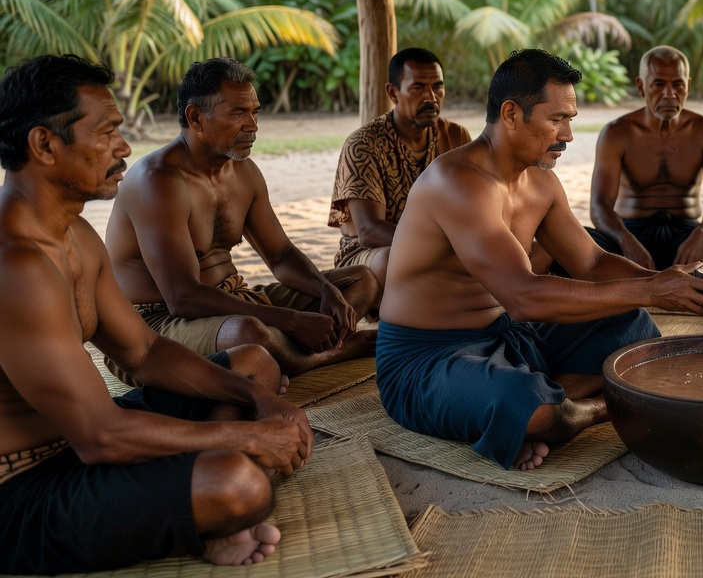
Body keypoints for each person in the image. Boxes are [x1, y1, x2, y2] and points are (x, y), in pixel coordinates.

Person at [0, 55, 313, 574]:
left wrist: (256, 399)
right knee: (239, 485)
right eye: (106, 133)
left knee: (254, 364)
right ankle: (208, 508)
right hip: (23, 486)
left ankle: (195, 506)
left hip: (86, 439)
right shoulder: (16, 264)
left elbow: (143, 351)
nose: (123, 148)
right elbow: (101, 436)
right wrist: (248, 435)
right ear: (44, 145)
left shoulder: (75, 235)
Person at [376, 49, 703, 471]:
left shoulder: (541, 181)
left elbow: (594, 264)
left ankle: (557, 407)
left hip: (509, 335)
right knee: (527, 405)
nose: (567, 135)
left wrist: (670, 281)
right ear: (511, 114)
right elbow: (524, 296)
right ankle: (581, 409)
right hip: (428, 360)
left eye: (571, 120)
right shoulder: (457, 182)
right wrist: (655, 290)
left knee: (634, 325)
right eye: (556, 119)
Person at [105, 57, 380, 384]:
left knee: (360, 279)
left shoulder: (243, 172)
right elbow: (182, 297)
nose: (253, 125)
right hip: (156, 324)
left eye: (255, 112)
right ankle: (324, 354)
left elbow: (281, 256)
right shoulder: (158, 180)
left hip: (234, 299)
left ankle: (293, 355)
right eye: (238, 112)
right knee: (249, 332)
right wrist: (291, 321)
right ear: (196, 118)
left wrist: (325, 291)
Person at [588, 46, 703, 271]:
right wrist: (626, 241)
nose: (669, 94)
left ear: (688, 86)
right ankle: (688, 274)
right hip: (632, 234)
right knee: (578, 240)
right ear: (641, 86)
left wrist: (702, 235)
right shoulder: (617, 133)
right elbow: (599, 207)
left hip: (687, 235)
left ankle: (650, 274)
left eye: (677, 84)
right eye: (658, 84)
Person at [328, 47, 472, 285]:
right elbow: (369, 231)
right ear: (393, 93)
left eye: (438, 86)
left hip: (445, 248)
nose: (431, 97)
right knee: (393, 262)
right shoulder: (364, 144)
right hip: (369, 255)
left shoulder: (456, 137)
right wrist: (444, 247)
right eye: (418, 88)